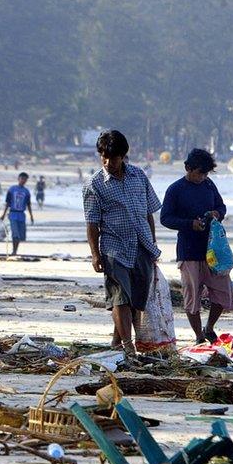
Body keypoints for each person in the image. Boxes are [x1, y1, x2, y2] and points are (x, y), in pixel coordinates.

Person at [83, 130, 161, 355]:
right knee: (119, 296)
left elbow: (148, 214)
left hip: (142, 245)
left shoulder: (139, 177)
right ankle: (128, 346)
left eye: (113, 157)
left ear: (123, 156)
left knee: (137, 299)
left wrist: (153, 245)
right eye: (103, 157)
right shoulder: (94, 185)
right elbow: (92, 224)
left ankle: (116, 342)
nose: (108, 162)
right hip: (114, 248)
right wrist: (95, 255)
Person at [161, 149, 233, 344]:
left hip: (213, 250)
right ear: (188, 168)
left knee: (223, 291)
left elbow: (222, 207)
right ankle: (198, 336)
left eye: (206, 174)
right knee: (192, 297)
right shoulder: (175, 189)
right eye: (199, 173)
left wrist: (216, 214)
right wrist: (189, 224)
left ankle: (209, 327)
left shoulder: (209, 185)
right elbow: (165, 218)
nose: (202, 177)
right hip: (189, 251)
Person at [0, 172, 34, 255]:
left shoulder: (26, 192)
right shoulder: (12, 189)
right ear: (19, 179)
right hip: (13, 214)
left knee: (21, 235)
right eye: (22, 179)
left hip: (21, 215)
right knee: (15, 233)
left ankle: (15, 250)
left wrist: (31, 216)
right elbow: (8, 203)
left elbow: (28, 204)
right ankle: (14, 251)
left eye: (25, 179)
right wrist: (3, 214)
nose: (23, 180)